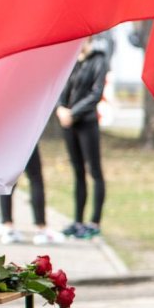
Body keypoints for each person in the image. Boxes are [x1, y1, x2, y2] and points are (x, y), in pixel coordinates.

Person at [56, 36, 110, 239]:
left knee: (94, 171)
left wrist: (73, 112)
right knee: (77, 171)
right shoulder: (71, 62)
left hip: (86, 122)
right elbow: (61, 87)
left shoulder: (99, 60)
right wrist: (61, 108)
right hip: (69, 124)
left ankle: (94, 221)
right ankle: (77, 220)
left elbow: (95, 94)